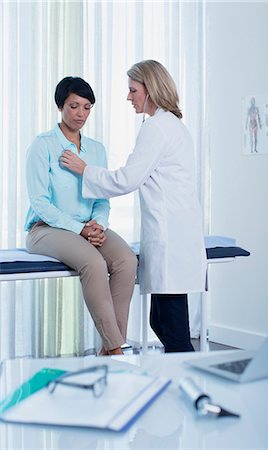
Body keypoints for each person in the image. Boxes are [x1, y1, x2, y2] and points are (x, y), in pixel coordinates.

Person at [61, 60, 207, 353]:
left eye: (133, 90)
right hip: (176, 233)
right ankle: (177, 379)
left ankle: (187, 385)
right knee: (161, 322)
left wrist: (84, 169)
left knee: (172, 329)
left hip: (171, 237)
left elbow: (127, 179)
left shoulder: (157, 128)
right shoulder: (171, 125)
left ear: (150, 89)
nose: (129, 97)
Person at [24, 76, 137, 356]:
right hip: (46, 229)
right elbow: (40, 203)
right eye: (74, 106)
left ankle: (110, 346)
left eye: (87, 107)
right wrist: (80, 229)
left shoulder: (96, 149)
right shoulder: (42, 145)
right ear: (61, 105)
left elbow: (102, 196)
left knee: (126, 260)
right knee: (94, 263)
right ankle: (115, 348)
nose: (81, 114)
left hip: (88, 227)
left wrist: (99, 224)